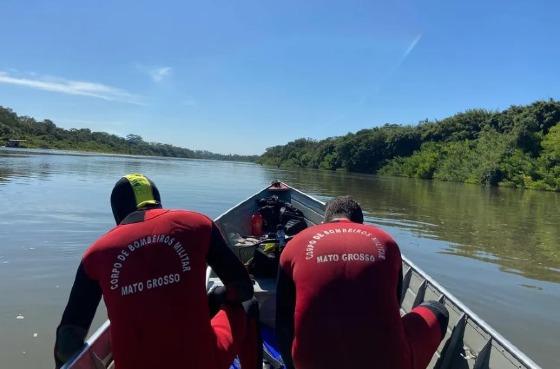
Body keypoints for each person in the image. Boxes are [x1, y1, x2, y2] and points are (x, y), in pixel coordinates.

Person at [54, 173, 261, 369]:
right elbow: (242, 289)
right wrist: (214, 300)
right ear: (157, 201)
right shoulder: (197, 225)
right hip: (202, 363)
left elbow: (67, 342)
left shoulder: (95, 253)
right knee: (247, 304)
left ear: (117, 211)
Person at [276, 196, 448, 369]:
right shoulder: (386, 242)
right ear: (361, 224)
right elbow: (394, 307)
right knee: (438, 310)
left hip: (310, 364)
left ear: (323, 222)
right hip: (388, 363)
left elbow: (283, 323)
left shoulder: (295, 244)